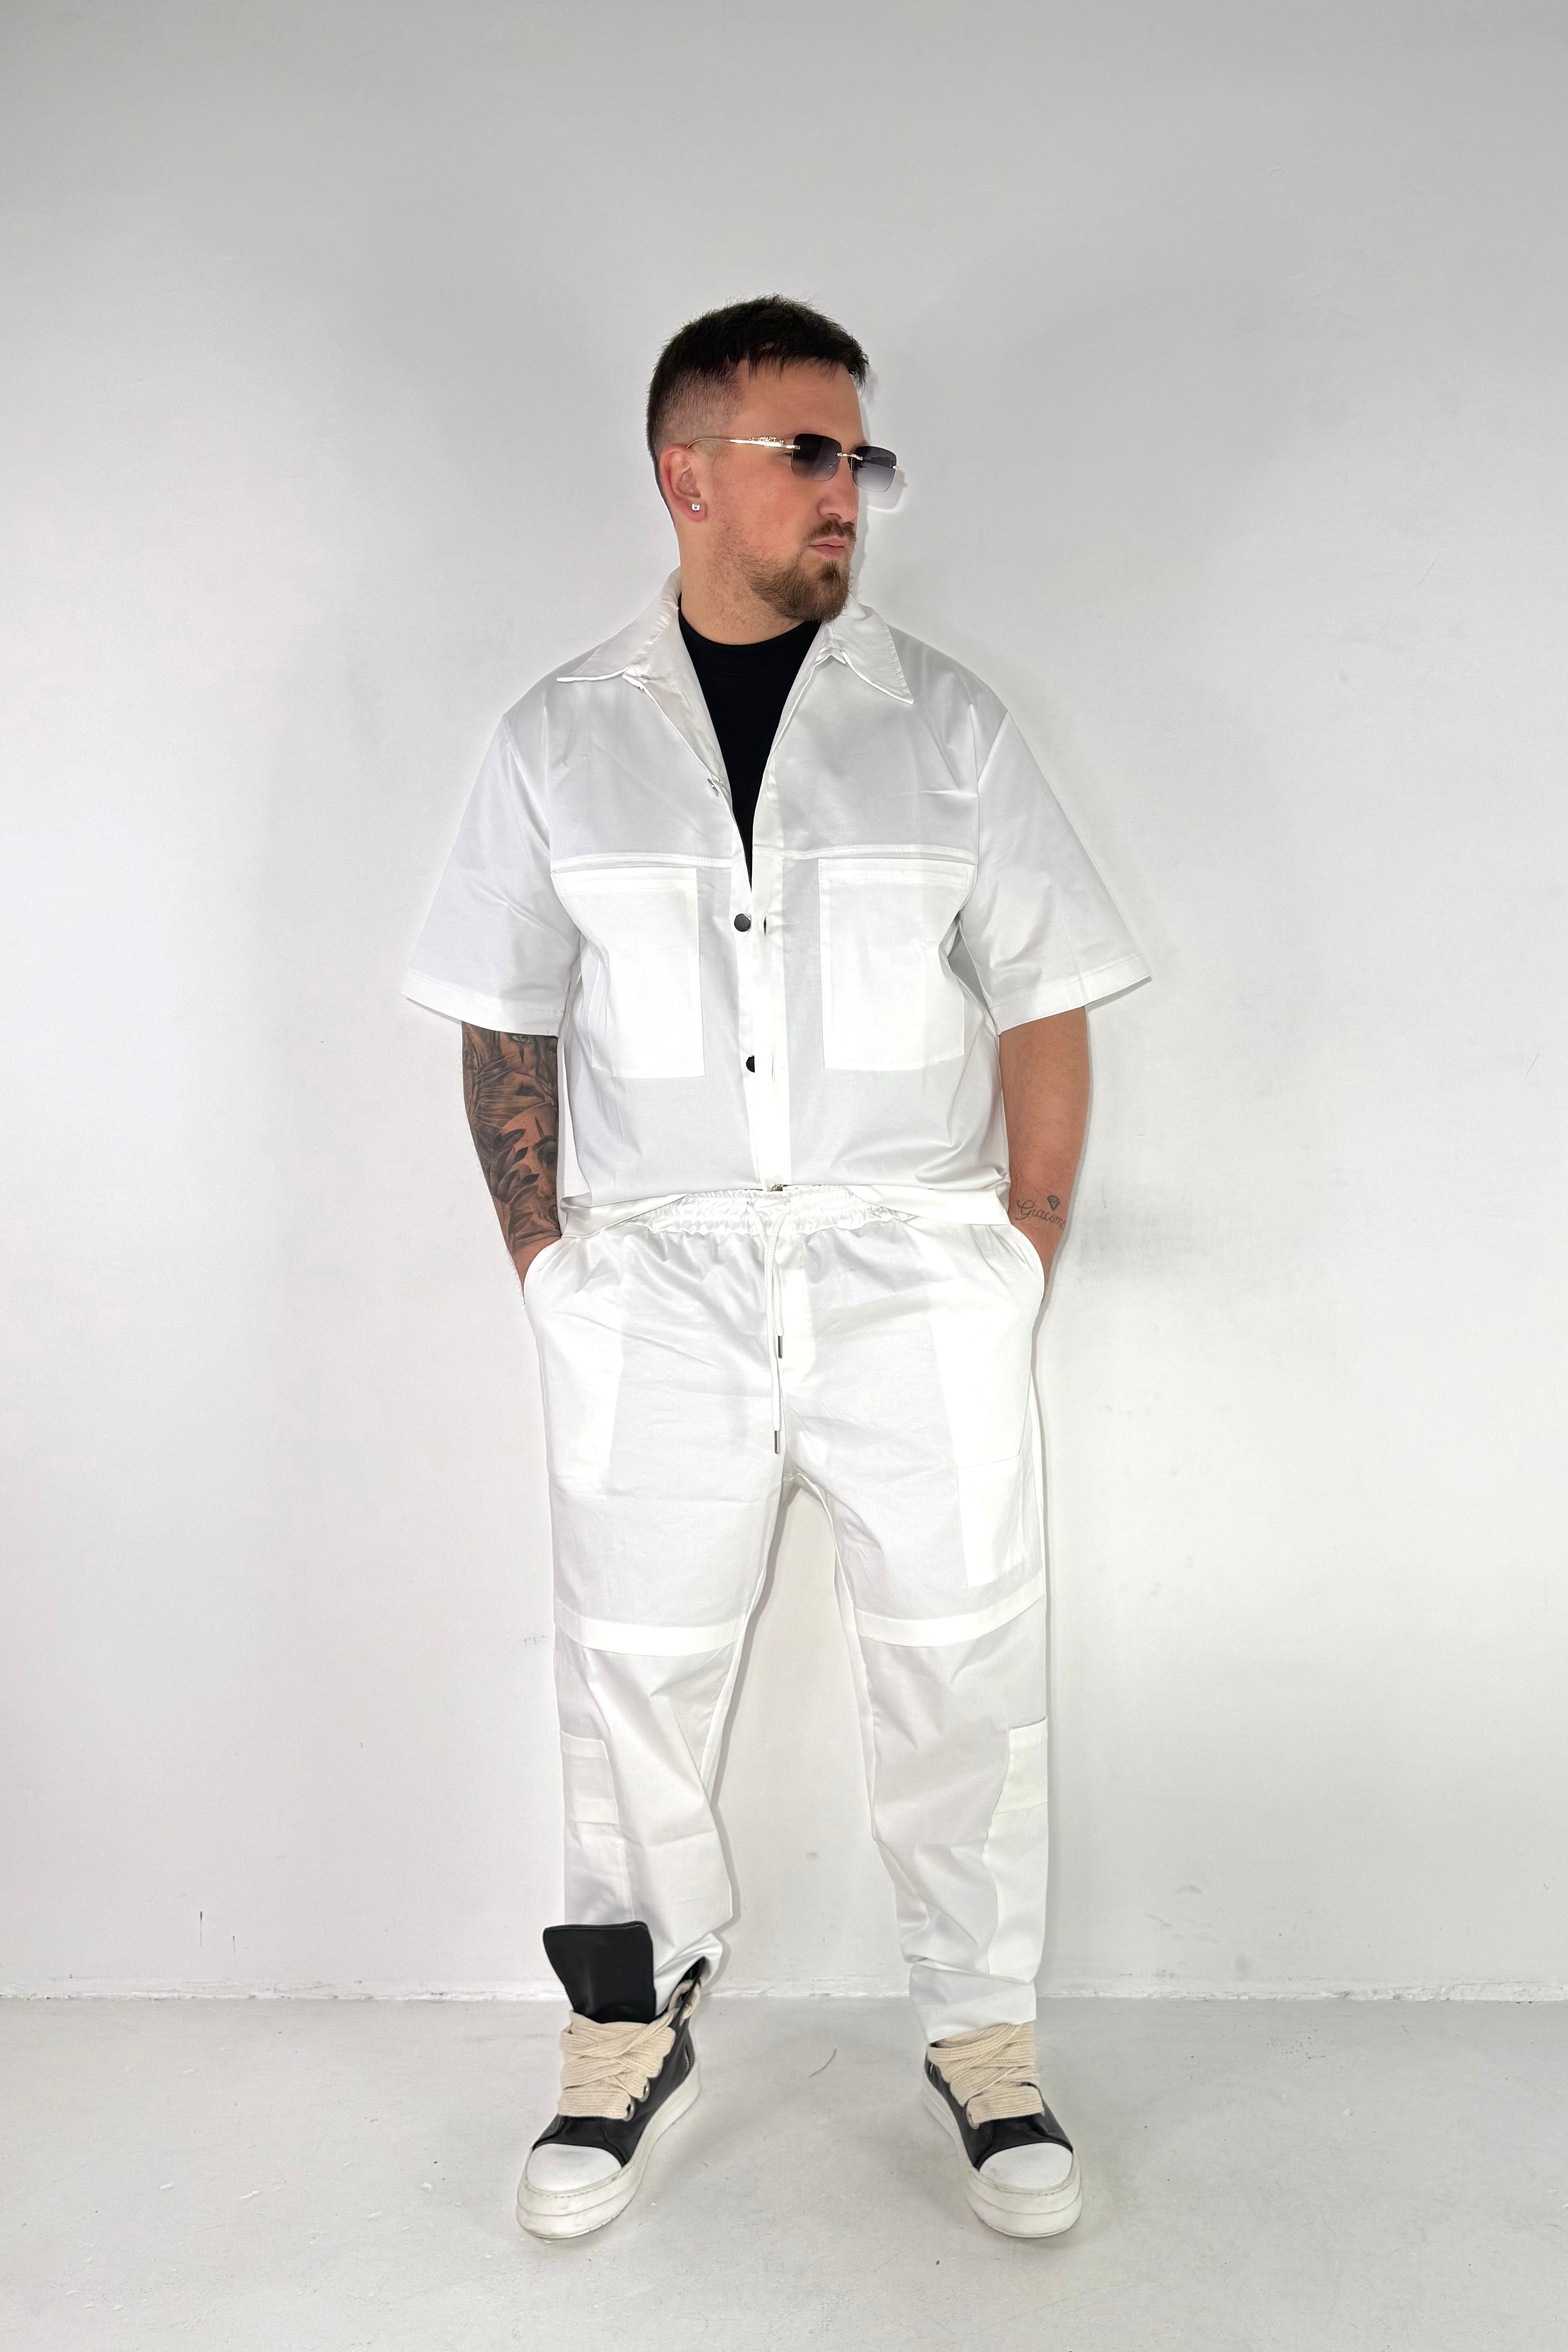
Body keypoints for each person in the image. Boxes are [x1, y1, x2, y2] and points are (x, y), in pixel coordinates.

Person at [402, 294, 1152, 2243]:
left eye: (857, 457)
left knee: (963, 1656)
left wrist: (1022, 1245)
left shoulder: (945, 725)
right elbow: (500, 1013)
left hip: (914, 1271)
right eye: (809, 454)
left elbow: (1045, 989)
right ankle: (621, 2030)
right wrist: (550, 1265)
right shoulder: (561, 738)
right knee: (629, 1669)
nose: (847, 493)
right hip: (654, 1287)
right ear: (688, 473)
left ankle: (982, 2036)